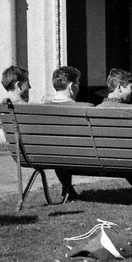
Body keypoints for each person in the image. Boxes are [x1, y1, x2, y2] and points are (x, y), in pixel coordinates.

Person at [42, 66, 90, 202]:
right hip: (82, 158)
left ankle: (68, 189)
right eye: (78, 82)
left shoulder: (41, 108)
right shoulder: (84, 109)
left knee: (59, 149)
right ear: (70, 86)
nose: (79, 86)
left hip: (48, 155)